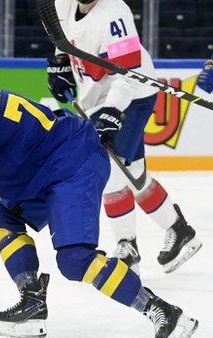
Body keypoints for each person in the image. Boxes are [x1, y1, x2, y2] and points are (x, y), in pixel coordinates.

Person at [0, 53, 198, 338]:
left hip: (73, 165)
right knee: (1, 218)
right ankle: (32, 300)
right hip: (48, 169)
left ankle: (163, 311)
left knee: (75, 260)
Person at [47, 0, 201, 274]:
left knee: (110, 174)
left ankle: (127, 246)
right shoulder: (63, 4)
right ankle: (179, 230)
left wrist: (113, 111)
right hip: (97, 95)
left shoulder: (114, 13)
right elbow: (61, 36)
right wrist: (60, 61)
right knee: (134, 173)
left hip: (131, 95)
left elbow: (128, 74)